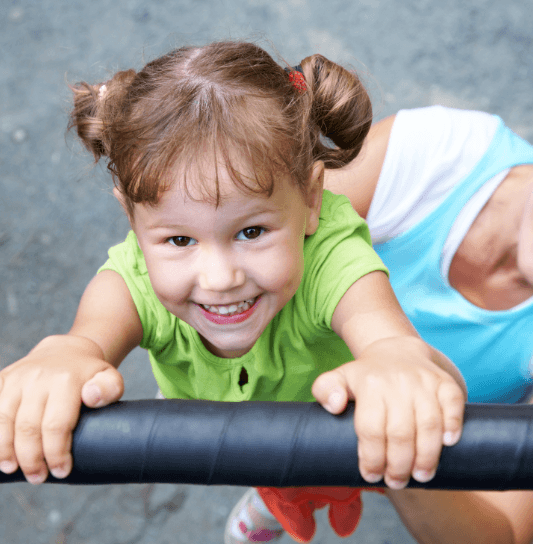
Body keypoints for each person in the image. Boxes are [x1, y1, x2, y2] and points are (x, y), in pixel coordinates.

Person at [0, 41, 466, 543]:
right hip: (226, 409)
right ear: (132, 220)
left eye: (251, 232)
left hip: (325, 432)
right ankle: (267, 503)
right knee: (268, 478)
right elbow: (84, 340)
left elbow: (385, 337)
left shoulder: (332, 257)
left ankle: (270, 506)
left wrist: (396, 361)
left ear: (311, 197)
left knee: (343, 467)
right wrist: (63, 356)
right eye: (180, 239)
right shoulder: (132, 277)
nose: (219, 278)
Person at [324, 104, 533, 543]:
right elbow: (250, 225)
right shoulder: (439, 152)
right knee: (270, 461)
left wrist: (399, 448)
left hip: (402, 454)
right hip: (284, 382)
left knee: (297, 467)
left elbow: (506, 534)